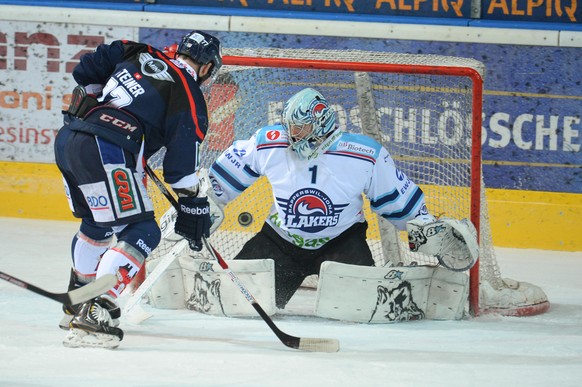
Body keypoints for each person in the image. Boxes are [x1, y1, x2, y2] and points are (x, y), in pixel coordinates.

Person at [54, 30, 222, 348]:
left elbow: (87, 67)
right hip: (107, 149)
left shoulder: (135, 51)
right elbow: (181, 174)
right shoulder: (190, 95)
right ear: (207, 68)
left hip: (69, 139)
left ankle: (78, 301)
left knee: (98, 225)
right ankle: (98, 309)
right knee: (143, 230)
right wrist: (194, 206)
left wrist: (98, 108)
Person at [208, 87, 437, 310]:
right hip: (279, 241)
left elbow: (399, 202)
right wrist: (206, 201)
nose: (292, 135)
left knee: (365, 309)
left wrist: (430, 229)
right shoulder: (269, 143)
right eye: (289, 127)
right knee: (233, 302)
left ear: (321, 123)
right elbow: (228, 173)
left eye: (300, 128)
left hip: (341, 243)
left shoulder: (364, 154)